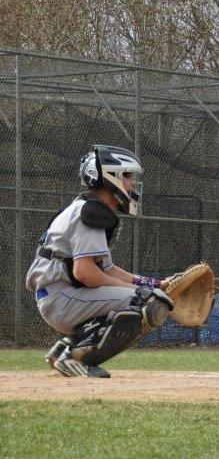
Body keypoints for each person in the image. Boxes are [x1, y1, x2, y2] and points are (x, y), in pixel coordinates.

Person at [26, 145, 174, 378]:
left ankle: (65, 347)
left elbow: (107, 270)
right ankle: (76, 358)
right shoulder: (91, 212)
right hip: (62, 298)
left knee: (149, 295)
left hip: (60, 296)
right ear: (109, 177)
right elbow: (85, 273)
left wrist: (154, 284)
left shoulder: (87, 208)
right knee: (148, 303)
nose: (131, 184)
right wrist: (142, 292)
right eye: (126, 176)